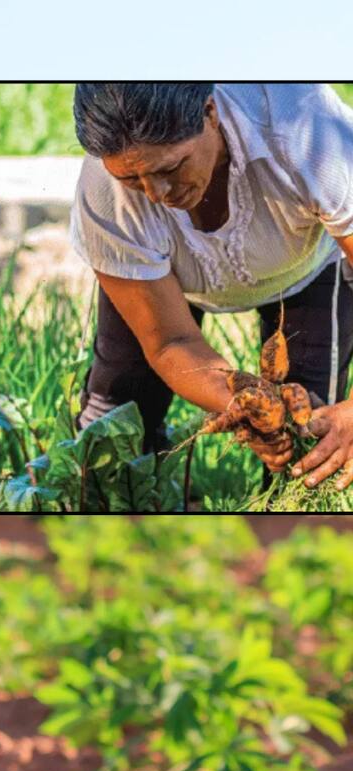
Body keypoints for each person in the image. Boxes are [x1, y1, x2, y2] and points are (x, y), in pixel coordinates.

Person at [70, 82, 353, 491]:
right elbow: (170, 342)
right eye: (133, 178)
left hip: (305, 268)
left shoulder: (306, 130)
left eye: (171, 168)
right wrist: (244, 406)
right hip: (164, 282)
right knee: (110, 431)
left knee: (313, 440)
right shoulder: (104, 191)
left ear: (210, 112)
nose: (158, 194)